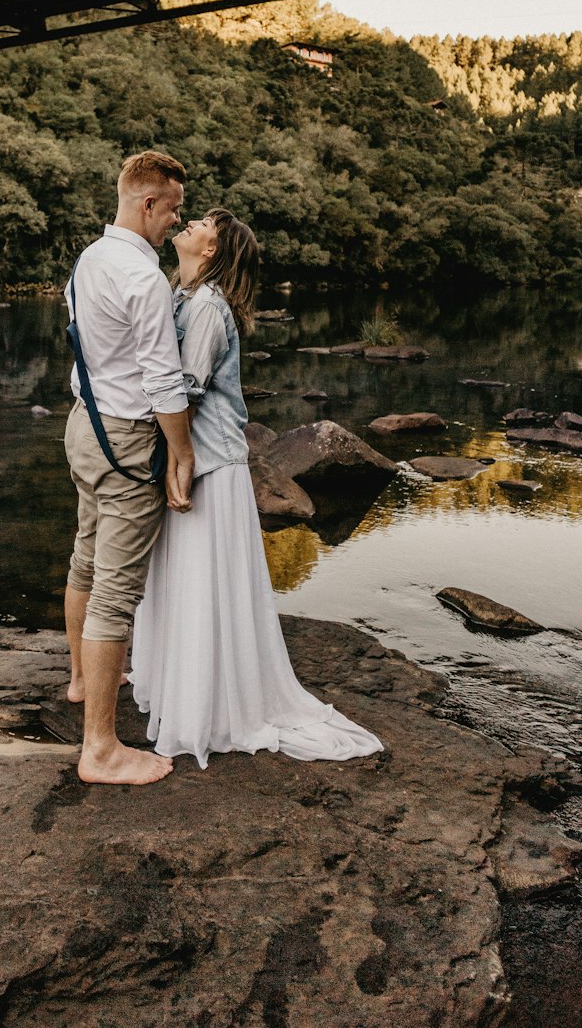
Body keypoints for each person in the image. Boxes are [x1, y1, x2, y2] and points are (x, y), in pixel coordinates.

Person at [130, 208, 383, 770]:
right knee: (183, 578)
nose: (188, 225)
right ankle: (185, 689)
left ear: (214, 252)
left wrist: (178, 459)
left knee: (200, 582)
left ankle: (208, 707)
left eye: (199, 225)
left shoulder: (205, 310)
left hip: (207, 464)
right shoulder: (183, 296)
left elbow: (185, 392)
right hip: (189, 458)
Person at [63, 150, 196, 785]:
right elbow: (163, 380)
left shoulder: (91, 258)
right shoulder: (143, 279)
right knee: (115, 591)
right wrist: (184, 451)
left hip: (83, 425)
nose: (175, 222)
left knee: (85, 557)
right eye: (173, 209)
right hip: (126, 439)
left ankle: (80, 681)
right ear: (148, 203)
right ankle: (101, 750)